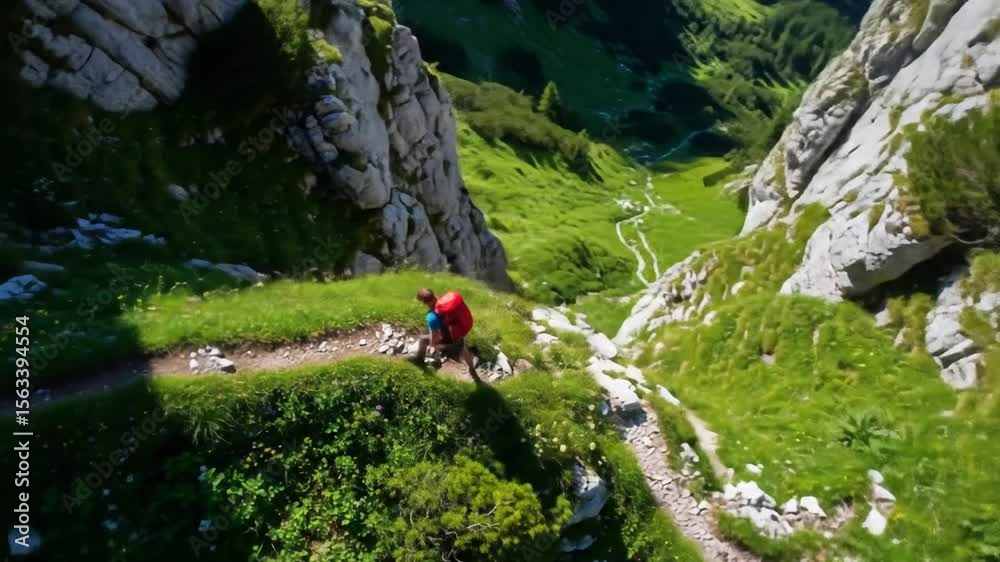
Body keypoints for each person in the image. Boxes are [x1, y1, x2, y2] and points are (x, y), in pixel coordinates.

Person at [411, 288, 479, 379]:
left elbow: (436, 335)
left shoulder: (432, 317)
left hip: (449, 339)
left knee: (423, 340)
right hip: (458, 331)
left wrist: (433, 345)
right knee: (463, 348)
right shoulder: (445, 302)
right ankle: (472, 369)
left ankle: (420, 362)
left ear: (424, 302)